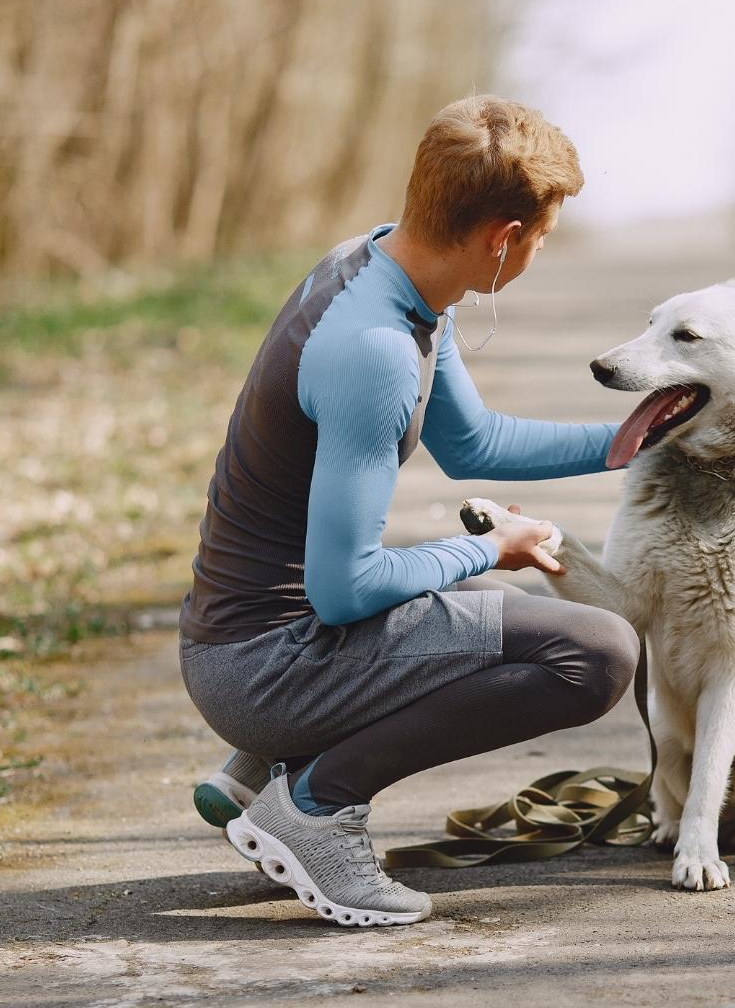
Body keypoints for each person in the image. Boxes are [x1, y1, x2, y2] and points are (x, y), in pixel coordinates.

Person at [178, 94, 640, 927]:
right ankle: (316, 804)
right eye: (542, 236)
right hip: (263, 663)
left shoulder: (383, 268)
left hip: (242, 636)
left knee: (502, 615)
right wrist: (489, 547)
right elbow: (345, 591)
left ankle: (257, 770)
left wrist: (629, 440)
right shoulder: (377, 354)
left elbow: (474, 444)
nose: (541, 249)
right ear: (504, 237)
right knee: (595, 652)